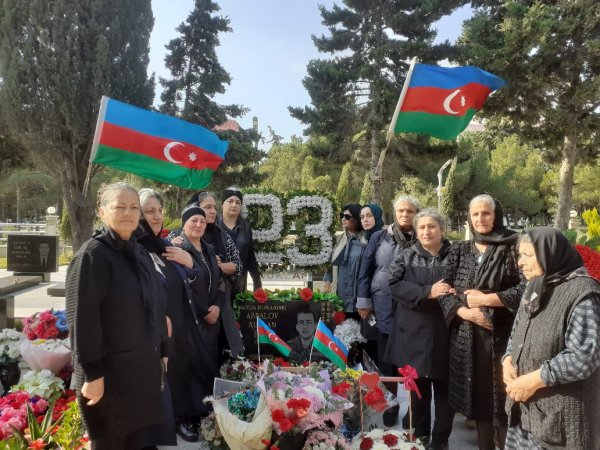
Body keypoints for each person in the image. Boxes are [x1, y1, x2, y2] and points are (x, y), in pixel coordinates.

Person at [65, 182, 165, 450]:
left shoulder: (139, 252)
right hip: (108, 379)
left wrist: (162, 349)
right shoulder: (93, 255)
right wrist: (92, 374)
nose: (128, 213)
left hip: (139, 373)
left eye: (133, 207)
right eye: (119, 206)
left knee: (136, 443)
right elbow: (82, 318)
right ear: (101, 211)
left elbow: (153, 304)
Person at [439, 195, 523, 450]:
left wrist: (491, 299)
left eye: (485, 213)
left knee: (506, 401)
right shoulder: (460, 250)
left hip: (504, 337)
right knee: (481, 403)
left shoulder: (514, 245)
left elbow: (528, 286)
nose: (480, 219)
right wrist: (465, 313)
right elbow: (444, 290)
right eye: (475, 214)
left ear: (496, 214)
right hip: (468, 339)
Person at [503, 228, 600, 450]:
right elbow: (517, 331)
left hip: (561, 424)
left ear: (550, 254)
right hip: (526, 415)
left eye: (527, 255)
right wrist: (507, 359)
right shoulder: (535, 287)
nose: (520, 262)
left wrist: (533, 380)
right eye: (519, 255)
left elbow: (584, 356)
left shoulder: (583, 293)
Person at [384, 208, 455, 450]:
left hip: (447, 332)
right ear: (416, 231)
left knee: (445, 391)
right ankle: (422, 435)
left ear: (442, 229)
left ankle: (440, 438)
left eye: (432, 226)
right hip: (413, 334)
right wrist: (427, 292)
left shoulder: (455, 255)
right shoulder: (406, 255)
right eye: (422, 227)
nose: (426, 231)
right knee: (418, 390)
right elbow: (393, 285)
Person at [356, 195, 420, 426]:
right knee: (386, 360)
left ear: (416, 213)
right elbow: (366, 269)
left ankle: (413, 410)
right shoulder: (380, 236)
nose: (405, 215)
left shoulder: (422, 235)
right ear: (394, 212)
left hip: (412, 308)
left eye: (410, 211)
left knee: (411, 361)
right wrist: (363, 301)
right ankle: (391, 405)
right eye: (401, 210)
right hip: (382, 304)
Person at [136, 188, 195, 445]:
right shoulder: (132, 248)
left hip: (171, 332)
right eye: (150, 211)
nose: (157, 216)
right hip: (145, 335)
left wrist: (190, 262)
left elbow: (196, 278)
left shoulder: (164, 245)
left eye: (159, 210)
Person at [174, 205, 226, 430]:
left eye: (202, 221)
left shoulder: (209, 248)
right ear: (184, 223)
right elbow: (181, 286)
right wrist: (205, 311)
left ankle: (207, 414)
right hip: (191, 321)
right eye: (193, 220)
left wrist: (217, 306)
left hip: (211, 321)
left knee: (207, 368)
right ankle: (189, 418)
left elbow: (221, 282)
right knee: (192, 369)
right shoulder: (177, 248)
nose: (198, 225)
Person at [187, 191, 244, 360]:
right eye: (207, 207)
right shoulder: (179, 236)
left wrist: (216, 266)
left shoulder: (222, 235)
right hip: (192, 305)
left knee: (220, 350)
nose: (212, 211)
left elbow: (238, 265)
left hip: (220, 300)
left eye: (214, 207)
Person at [218, 187, 262, 297]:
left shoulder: (245, 227)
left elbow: (250, 257)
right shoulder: (213, 226)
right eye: (230, 201)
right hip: (218, 284)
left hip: (239, 284)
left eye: (238, 202)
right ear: (222, 204)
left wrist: (258, 285)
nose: (234, 205)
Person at [323, 204, 367, 315]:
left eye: (347, 217)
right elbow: (330, 265)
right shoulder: (337, 240)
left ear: (357, 219)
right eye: (342, 216)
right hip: (339, 296)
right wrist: (326, 285)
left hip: (360, 298)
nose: (343, 219)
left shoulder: (367, 240)